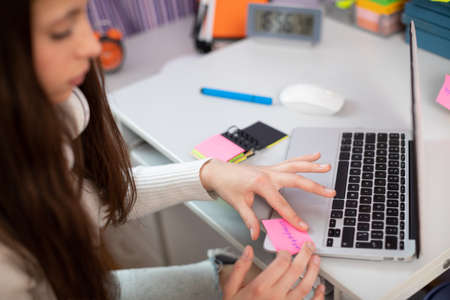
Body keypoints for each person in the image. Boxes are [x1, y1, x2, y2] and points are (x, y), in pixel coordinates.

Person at [0, 0, 336, 299]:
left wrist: (209, 173)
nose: (91, 45)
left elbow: (86, 202)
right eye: (61, 31)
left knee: (260, 278)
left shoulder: (48, 123)